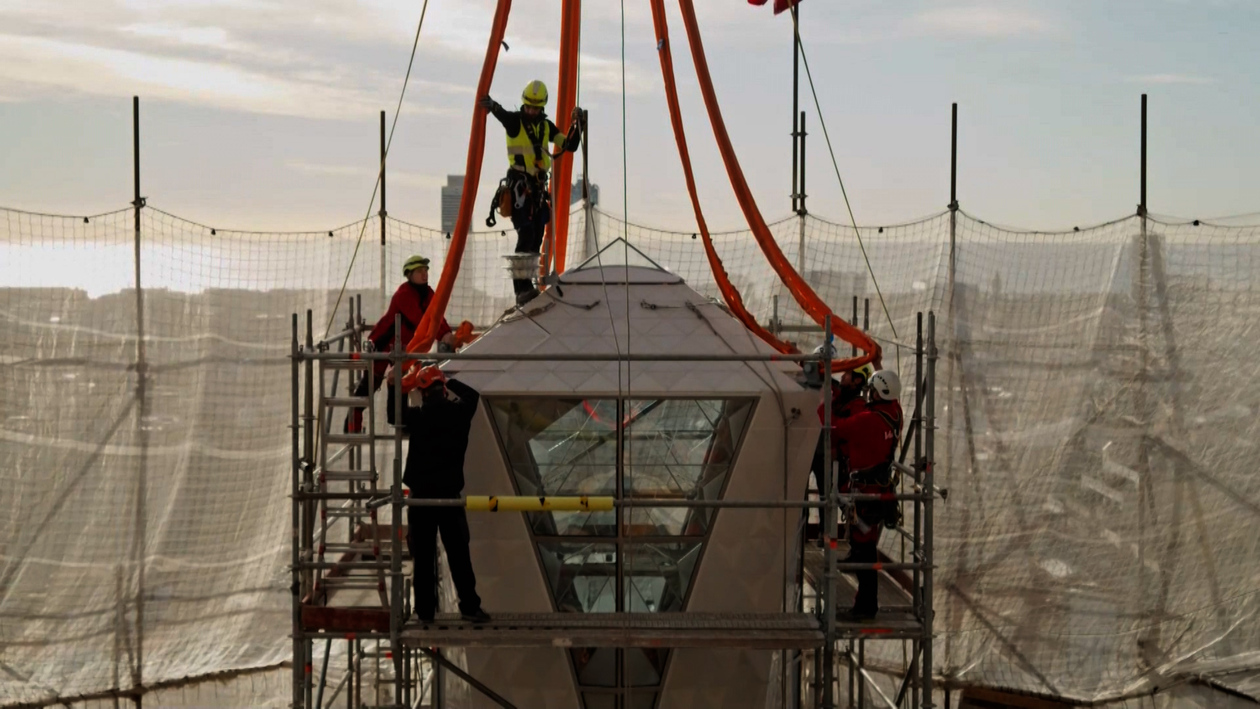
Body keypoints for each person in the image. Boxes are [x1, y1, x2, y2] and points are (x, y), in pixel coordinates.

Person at [478, 80, 584, 305]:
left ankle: (529, 286)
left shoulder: (546, 127)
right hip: (520, 189)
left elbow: (569, 145)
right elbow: (502, 114)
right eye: (528, 106)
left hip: (536, 192)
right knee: (525, 234)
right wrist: (491, 105)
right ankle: (521, 289)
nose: (531, 111)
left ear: (542, 107)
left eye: (535, 108)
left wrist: (578, 126)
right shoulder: (515, 122)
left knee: (536, 237)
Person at [399, 364, 490, 624]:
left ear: (423, 392)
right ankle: (470, 607)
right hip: (449, 496)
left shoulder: (418, 417)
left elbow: (395, 416)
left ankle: (425, 612)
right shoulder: (458, 413)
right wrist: (449, 378)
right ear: (444, 390)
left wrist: (397, 388)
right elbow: (472, 395)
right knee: (459, 555)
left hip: (421, 499)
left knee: (424, 557)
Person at [345, 255, 453, 432]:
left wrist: (446, 333)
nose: (424, 274)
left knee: (398, 379)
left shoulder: (428, 293)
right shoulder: (403, 295)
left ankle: (399, 420)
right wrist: (441, 335)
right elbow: (421, 319)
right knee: (370, 384)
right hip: (385, 343)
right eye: (419, 271)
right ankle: (352, 424)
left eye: (426, 270)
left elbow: (436, 315)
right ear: (409, 274)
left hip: (406, 346)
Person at [829, 369, 904, 620]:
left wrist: (823, 403)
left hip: (864, 493)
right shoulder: (895, 413)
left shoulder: (868, 420)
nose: (868, 394)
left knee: (865, 550)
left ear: (878, 393)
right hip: (880, 491)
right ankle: (865, 600)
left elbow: (835, 428)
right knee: (866, 544)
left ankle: (865, 606)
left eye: (871, 390)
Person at [805, 348, 873, 540]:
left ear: (857, 380)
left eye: (848, 373)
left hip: (832, 456)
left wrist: (823, 406)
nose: (842, 375)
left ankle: (830, 534)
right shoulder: (840, 394)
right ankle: (806, 534)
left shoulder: (854, 403)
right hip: (815, 449)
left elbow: (839, 427)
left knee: (830, 496)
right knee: (809, 496)